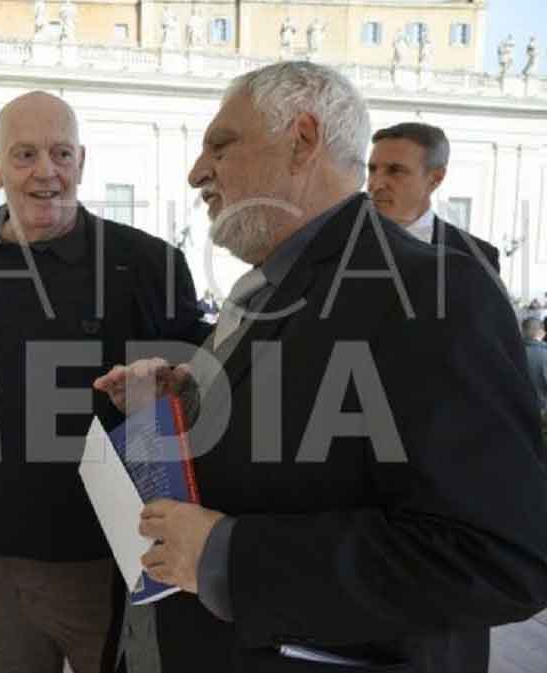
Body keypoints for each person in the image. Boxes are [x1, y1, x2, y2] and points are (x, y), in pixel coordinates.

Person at [94, 61, 547, 673]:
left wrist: (231, 555)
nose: (197, 171)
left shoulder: (435, 291)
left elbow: (497, 558)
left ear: (302, 141)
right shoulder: (268, 285)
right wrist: (187, 398)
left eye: (221, 146)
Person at [0, 90, 210, 673]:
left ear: (82, 162)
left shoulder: (146, 264)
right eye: (24, 155)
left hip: (105, 556)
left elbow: (201, 376)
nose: (46, 172)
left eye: (61, 154)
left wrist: (175, 380)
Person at [367, 122, 499, 274]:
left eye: (395, 171)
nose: (376, 184)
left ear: (436, 178)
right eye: (372, 169)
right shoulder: (341, 241)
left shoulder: (478, 257)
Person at [522, 317, 547, 412]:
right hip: (542, 408)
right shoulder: (544, 354)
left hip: (520, 407)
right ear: (540, 331)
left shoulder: (515, 352)